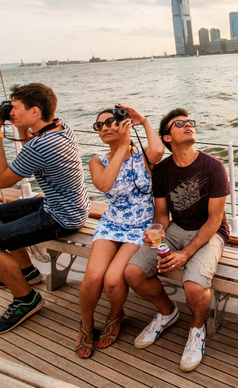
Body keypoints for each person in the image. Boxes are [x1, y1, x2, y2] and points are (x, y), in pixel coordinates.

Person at [0, 83, 90, 335]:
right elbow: (32, 153)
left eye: (14, 108)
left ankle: (26, 300)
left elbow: (2, 180)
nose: (9, 113)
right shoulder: (60, 126)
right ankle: (27, 272)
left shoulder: (43, 145)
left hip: (62, 215)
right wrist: (22, 127)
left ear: (35, 112)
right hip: (67, 203)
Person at [125, 108, 230, 372]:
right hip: (176, 229)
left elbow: (215, 220)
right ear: (167, 138)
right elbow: (161, 214)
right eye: (179, 123)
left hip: (210, 232)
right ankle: (166, 312)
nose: (188, 125)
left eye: (190, 122)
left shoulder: (213, 166)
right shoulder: (161, 171)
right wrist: (156, 235)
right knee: (133, 273)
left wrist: (186, 254)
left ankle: (197, 328)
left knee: (194, 287)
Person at [75, 105, 164, 359]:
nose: (103, 127)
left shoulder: (144, 157)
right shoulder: (97, 161)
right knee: (93, 278)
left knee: (113, 280)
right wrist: (122, 148)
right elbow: (104, 183)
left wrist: (143, 121)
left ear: (123, 124)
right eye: (98, 125)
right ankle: (86, 324)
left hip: (140, 226)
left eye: (109, 122)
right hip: (111, 224)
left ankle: (115, 315)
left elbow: (158, 150)